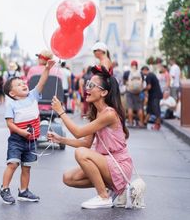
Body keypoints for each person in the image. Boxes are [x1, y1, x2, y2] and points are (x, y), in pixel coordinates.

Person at [48, 66, 133, 209]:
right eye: (88, 84)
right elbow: (86, 143)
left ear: (104, 92)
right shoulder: (96, 112)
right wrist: (61, 140)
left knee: (80, 153)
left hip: (119, 165)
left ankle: (103, 196)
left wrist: (61, 112)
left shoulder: (109, 114)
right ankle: (111, 188)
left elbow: (78, 133)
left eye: (92, 85)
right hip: (106, 163)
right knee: (68, 178)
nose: (87, 88)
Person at [0, 59, 55, 205]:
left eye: (23, 82)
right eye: (18, 85)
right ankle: (4, 188)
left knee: (27, 166)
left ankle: (23, 191)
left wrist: (47, 69)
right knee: (12, 164)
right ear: (12, 93)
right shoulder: (12, 104)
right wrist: (21, 132)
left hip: (32, 140)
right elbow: (9, 124)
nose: (23, 84)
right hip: (17, 140)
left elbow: (42, 82)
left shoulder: (32, 96)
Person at [123, 60, 145, 127]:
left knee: (130, 107)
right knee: (140, 108)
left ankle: (130, 122)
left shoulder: (127, 73)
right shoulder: (140, 73)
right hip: (139, 92)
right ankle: (141, 123)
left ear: (131, 65)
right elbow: (142, 82)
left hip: (130, 92)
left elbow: (124, 82)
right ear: (137, 65)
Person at [141, 65, 163, 130]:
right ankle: (145, 122)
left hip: (154, 95)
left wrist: (142, 90)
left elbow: (149, 86)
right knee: (149, 109)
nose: (142, 74)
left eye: (142, 72)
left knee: (156, 110)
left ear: (145, 70)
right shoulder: (152, 75)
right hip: (153, 95)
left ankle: (157, 124)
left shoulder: (149, 76)